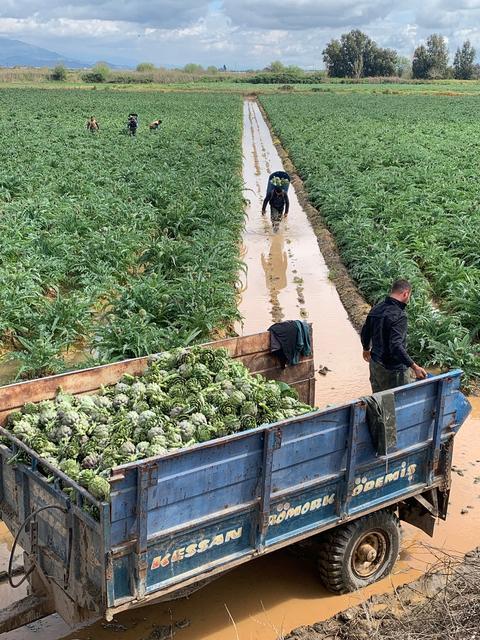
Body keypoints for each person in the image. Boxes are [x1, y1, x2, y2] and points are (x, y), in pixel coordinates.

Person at [360, 279, 427, 393]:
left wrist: (366, 348)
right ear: (405, 294)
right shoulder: (400, 316)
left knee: (379, 399)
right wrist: (414, 367)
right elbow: (396, 346)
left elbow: (366, 331)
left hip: (375, 364)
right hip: (394, 371)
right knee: (398, 401)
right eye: (409, 295)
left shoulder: (376, 308)